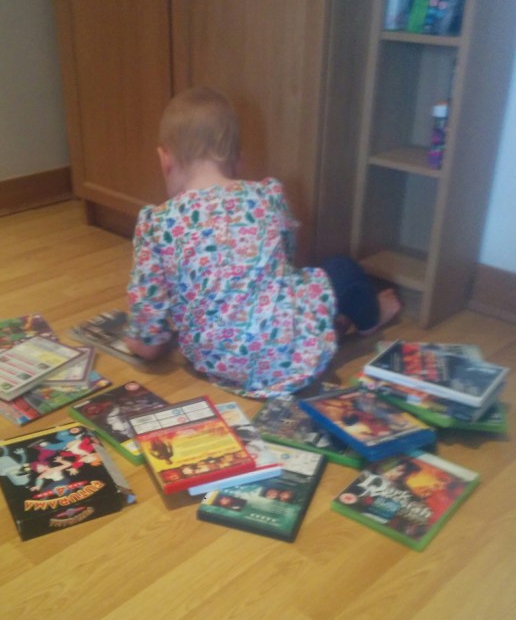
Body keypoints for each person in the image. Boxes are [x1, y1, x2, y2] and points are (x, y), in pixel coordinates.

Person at [124, 87, 400, 399]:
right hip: (285, 349)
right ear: (239, 161)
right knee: (340, 269)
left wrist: (142, 341)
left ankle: (324, 327)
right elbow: (286, 262)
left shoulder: (156, 223)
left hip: (216, 361)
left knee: (294, 297)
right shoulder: (267, 196)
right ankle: (370, 317)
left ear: (165, 159)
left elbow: (148, 338)